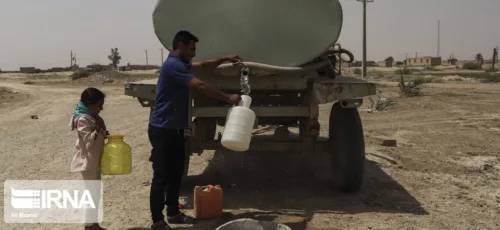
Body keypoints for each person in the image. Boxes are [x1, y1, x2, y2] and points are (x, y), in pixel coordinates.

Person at [148, 30, 242, 229]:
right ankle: (157, 221)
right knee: (161, 176)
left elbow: (203, 67)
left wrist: (225, 58)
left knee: (175, 174)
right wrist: (228, 98)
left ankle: (173, 213)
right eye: (191, 49)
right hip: (163, 129)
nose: (194, 53)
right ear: (180, 45)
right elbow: (199, 85)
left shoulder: (181, 63)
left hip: (174, 129)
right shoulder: (173, 65)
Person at [69, 87, 108, 230]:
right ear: (89, 104)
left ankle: (94, 224)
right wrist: (98, 128)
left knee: (95, 194)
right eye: (99, 105)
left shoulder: (92, 117)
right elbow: (89, 143)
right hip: (88, 163)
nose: (101, 108)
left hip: (95, 161)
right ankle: (89, 226)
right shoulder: (83, 119)